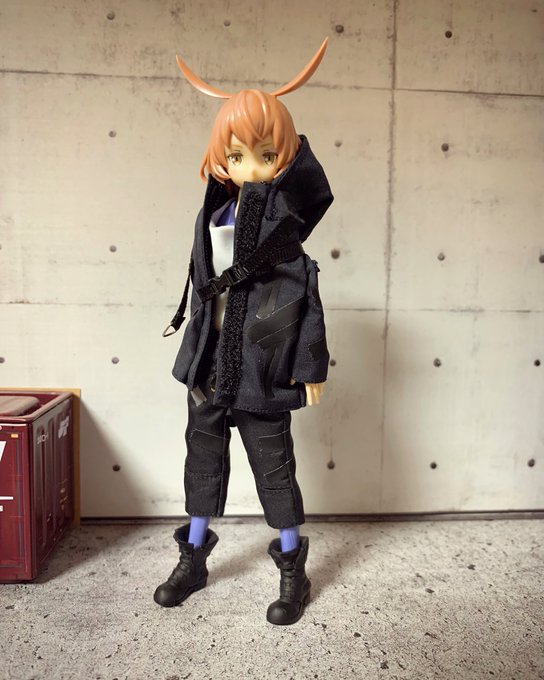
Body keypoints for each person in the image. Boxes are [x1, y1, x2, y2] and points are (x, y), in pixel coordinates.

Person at [154, 39, 334, 625]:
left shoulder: (285, 227)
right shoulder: (212, 213)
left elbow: (306, 295)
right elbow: (200, 282)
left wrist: (309, 366)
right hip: (209, 364)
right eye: (236, 155)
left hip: (262, 365)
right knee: (201, 461)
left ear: (285, 158)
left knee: (274, 468)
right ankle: (193, 559)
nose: (249, 167)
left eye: (266, 154)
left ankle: (293, 569)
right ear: (220, 157)